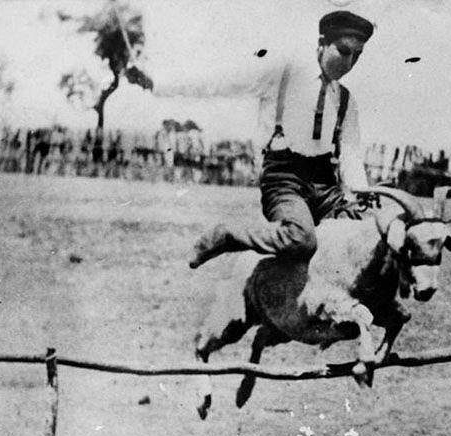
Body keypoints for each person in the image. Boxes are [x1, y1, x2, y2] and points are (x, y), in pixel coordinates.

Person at [130, 10, 374, 268]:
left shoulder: (346, 100)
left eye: (357, 56)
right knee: (302, 240)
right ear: (322, 43)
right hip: (284, 180)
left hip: (326, 186)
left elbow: (351, 153)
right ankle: (227, 235)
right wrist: (156, 83)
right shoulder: (282, 74)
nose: (348, 63)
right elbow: (221, 82)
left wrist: (361, 192)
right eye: (344, 51)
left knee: (368, 232)